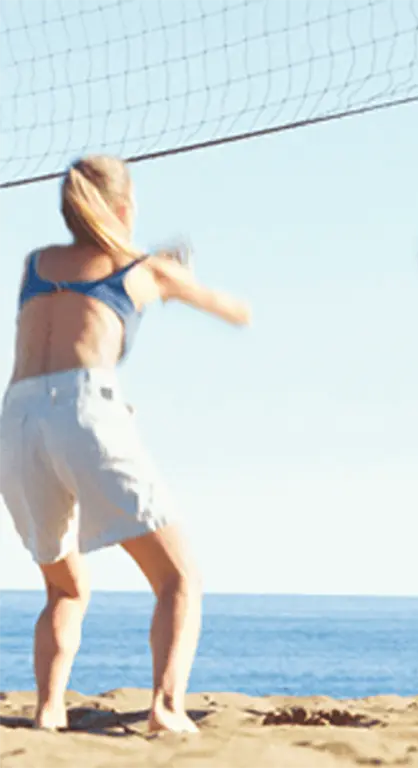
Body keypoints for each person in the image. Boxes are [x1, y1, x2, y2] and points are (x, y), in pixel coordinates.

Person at [0, 155, 252, 733]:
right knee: (178, 578)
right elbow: (232, 311)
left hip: (16, 423)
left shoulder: (33, 264)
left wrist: (152, 270)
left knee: (64, 588)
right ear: (122, 206)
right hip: (85, 411)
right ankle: (166, 706)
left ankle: (47, 711)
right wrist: (169, 274)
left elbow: (77, 303)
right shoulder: (141, 268)